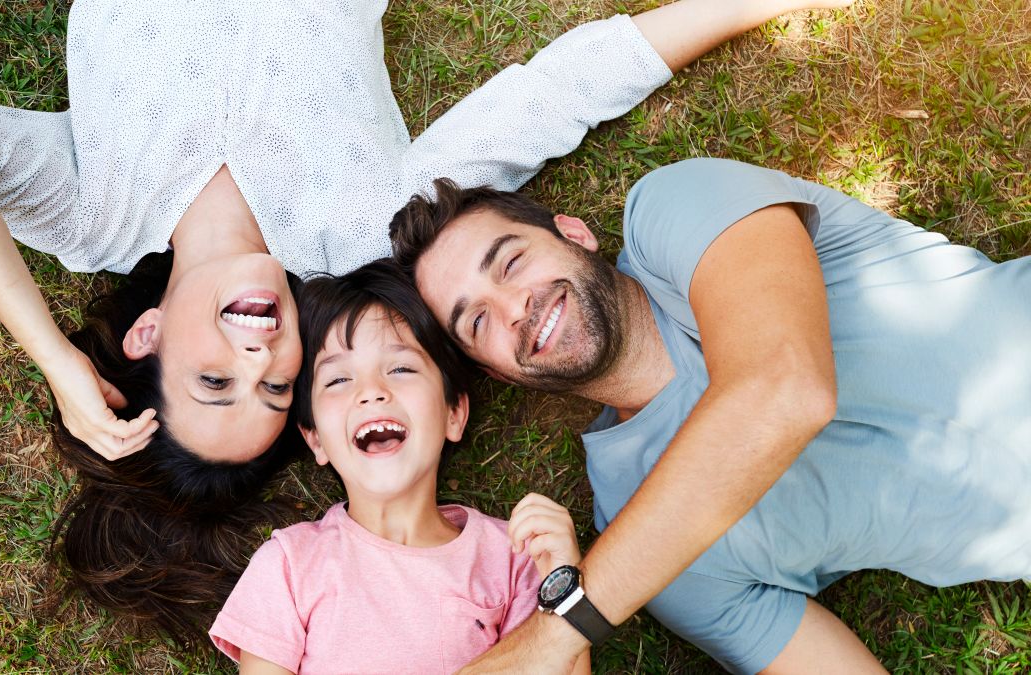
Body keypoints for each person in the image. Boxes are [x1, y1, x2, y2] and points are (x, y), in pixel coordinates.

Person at [0, 0, 856, 641]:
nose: (261, 349)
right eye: (275, 386)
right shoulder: (359, 231)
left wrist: (49, 352)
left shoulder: (90, 212)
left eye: (215, 378)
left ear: (148, 337)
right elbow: (551, 99)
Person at [388, 158, 1031, 673]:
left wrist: (554, 635)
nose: (514, 308)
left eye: (511, 262)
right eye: (477, 322)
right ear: (500, 374)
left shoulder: (674, 210)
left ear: (575, 234)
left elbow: (787, 388)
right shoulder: (654, 559)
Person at [208, 259, 588, 674]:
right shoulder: (288, 565)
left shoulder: (515, 557)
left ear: (453, 413)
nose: (371, 392)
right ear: (315, 437)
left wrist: (566, 582)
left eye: (401, 368)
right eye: (338, 380)